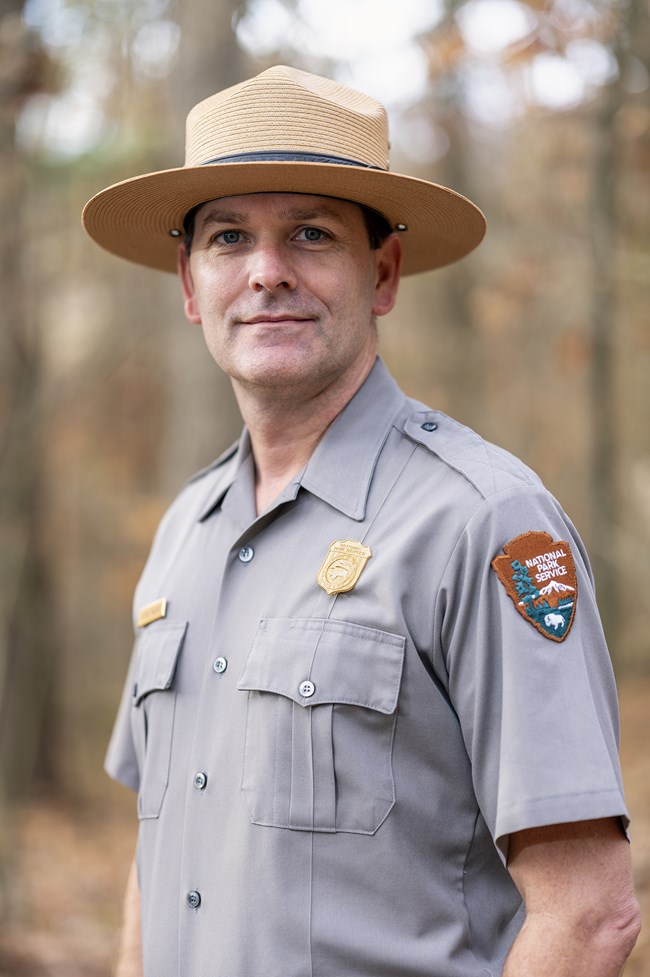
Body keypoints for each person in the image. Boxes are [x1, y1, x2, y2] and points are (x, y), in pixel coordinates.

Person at [83, 65, 640, 977]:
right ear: (191, 285)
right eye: (229, 238)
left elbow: (589, 916)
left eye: (311, 233)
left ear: (381, 273)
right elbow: (162, 853)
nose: (267, 271)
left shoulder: (483, 521)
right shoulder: (184, 531)